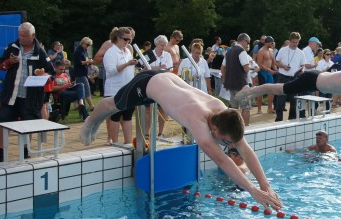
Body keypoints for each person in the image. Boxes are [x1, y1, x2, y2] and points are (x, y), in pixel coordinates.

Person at [80, 70, 282, 210]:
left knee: (116, 106)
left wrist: (265, 185)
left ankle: (94, 121)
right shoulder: (198, 121)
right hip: (147, 84)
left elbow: (245, 150)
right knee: (113, 106)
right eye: (225, 141)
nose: (227, 145)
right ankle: (91, 120)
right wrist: (253, 190)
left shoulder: (222, 111)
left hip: (166, 78)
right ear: (214, 128)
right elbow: (222, 160)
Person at [0, 23, 55, 163]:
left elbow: (51, 72)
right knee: (3, 122)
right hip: (11, 94)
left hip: (30, 96)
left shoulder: (40, 52)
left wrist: (43, 75)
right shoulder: (12, 47)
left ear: (33, 36)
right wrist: (9, 62)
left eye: (25, 36)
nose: (22, 38)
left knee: (28, 124)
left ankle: (25, 152)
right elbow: (0, 65)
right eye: (20, 35)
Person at [103, 27, 138, 145]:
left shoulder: (127, 51)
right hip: (115, 90)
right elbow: (111, 71)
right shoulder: (111, 52)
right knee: (115, 117)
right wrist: (127, 63)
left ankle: (128, 142)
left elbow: (129, 70)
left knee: (128, 116)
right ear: (117, 38)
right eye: (125, 39)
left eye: (130, 40)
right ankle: (115, 143)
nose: (128, 42)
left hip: (127, 88)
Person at [274, 32, 306, 122]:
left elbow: (303, 65)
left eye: (297, 42)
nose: (295, 44)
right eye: (294, 42)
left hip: (294, 78)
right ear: (290, 41)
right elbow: (276, 62)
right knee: (280, 99)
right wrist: (283, 66)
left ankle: (291, 120)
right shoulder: (283, 50)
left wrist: (302, 71)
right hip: (282, 76)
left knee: (294, 100)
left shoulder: (301, 53)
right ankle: (278, 119)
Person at [221, 33, 252, 125]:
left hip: (230, 84)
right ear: (243, 41)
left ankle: (233, 129)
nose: (248, 45)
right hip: (241, 84)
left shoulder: (229, 51)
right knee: (246, 107)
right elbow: (246, 69)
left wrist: (226, 80)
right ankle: (246, 129)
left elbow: (222, 68)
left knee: (234, 108)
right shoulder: (242, 51)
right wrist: (251, 65)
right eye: (248, 42)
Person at [255, 36, 277, 114]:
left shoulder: (271, 51)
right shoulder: (261, 51)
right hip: (262, 72)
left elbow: (273, 63)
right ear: (268, 43)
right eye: (272, 43)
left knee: (271, 90)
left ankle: (269, 108)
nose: (273, 44)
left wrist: (276, 70)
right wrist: (269, 70)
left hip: (269, 72)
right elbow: (259, 64)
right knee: (261, 91)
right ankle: (259, 109)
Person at [73, 37, 95, 111]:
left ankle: (77, 105)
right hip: (79, 73)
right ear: (83, 43)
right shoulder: (78, 51)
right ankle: (91, 106)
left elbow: (86, 60)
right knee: (86, 89)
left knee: (82, 90)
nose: (88, 46)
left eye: (89, 45)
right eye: (87, 44)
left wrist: (89, 63)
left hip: (83, 73)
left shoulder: (84, 50)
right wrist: (89, 61)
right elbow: (79, 62)